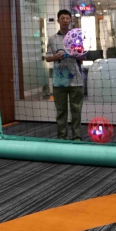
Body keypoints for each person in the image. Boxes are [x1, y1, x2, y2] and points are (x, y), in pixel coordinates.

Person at [45, 9, 85, 140]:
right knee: (61, 111)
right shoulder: (52, 39)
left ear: (71, 20)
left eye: (67, 18)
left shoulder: (76, 37)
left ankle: (76, 136)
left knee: (76, 111)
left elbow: (82, 57)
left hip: (76, 80)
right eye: (62, 18)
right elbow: (47, 58)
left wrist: (75, 54)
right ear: (58, 21)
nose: (65, 21)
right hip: (59, 81)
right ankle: (62, 136)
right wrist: (56, 56)